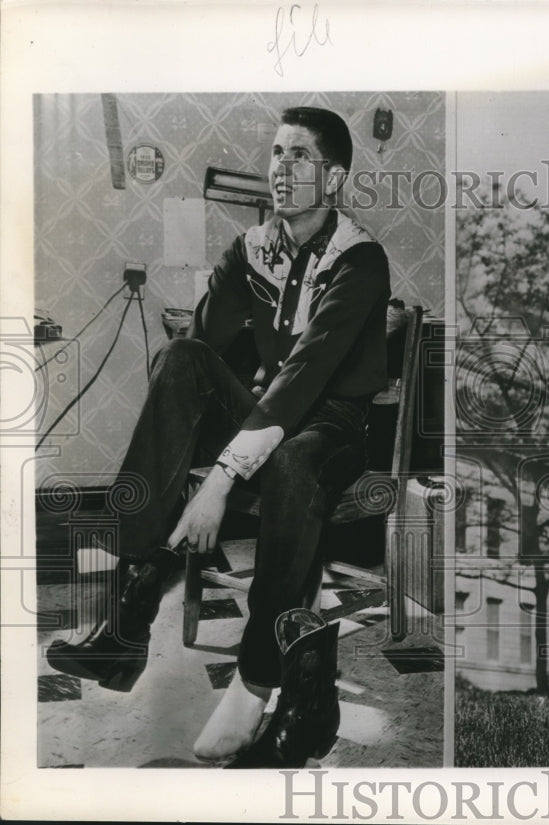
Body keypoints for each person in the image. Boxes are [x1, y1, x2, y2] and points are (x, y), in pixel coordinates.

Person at [46, 106, 390, 763]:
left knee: (292, 465)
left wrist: (222, 480)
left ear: (334, 177)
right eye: (277, 154)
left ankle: (258, 681)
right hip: (269, 416)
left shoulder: (361, 259)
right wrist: (237, 272)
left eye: (299, 157)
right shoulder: (259, 246)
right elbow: (201, 349)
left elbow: (305, 376)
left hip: (333, 426)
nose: (281, 168)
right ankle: (131, 605)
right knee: (178, 362)